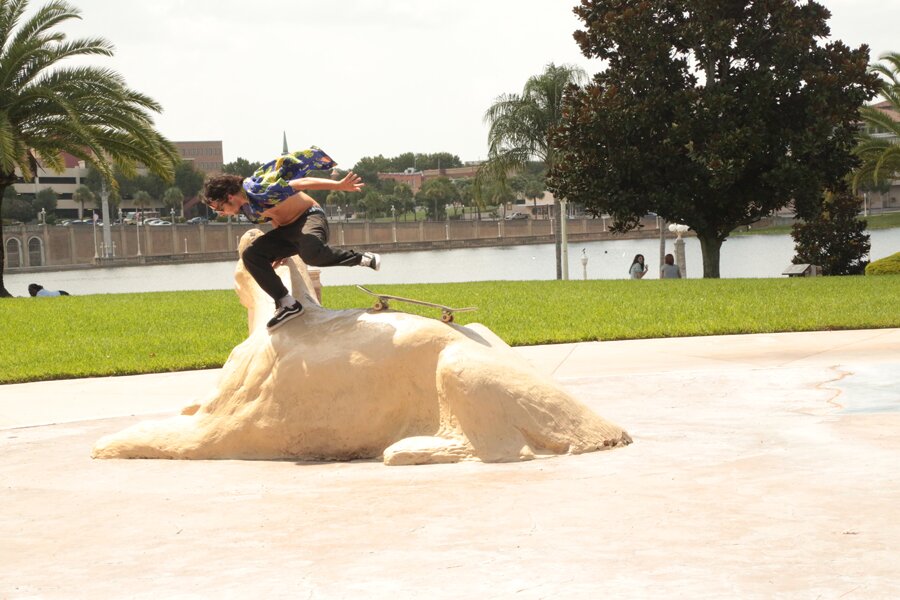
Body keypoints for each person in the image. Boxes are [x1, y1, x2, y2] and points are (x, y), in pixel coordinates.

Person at [202, 147, 381, 331]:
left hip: (309, 216)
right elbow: (274, 216)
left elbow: (301, 183)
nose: (221, 213)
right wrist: (280, 250)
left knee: (311, 254)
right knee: (252, 255)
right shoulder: (246, 207)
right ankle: (286, 302)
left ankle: (361, 258)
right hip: (287, 230)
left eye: (219, 208)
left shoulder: (258, 189)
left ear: (229, 196)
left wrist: (339, 185)